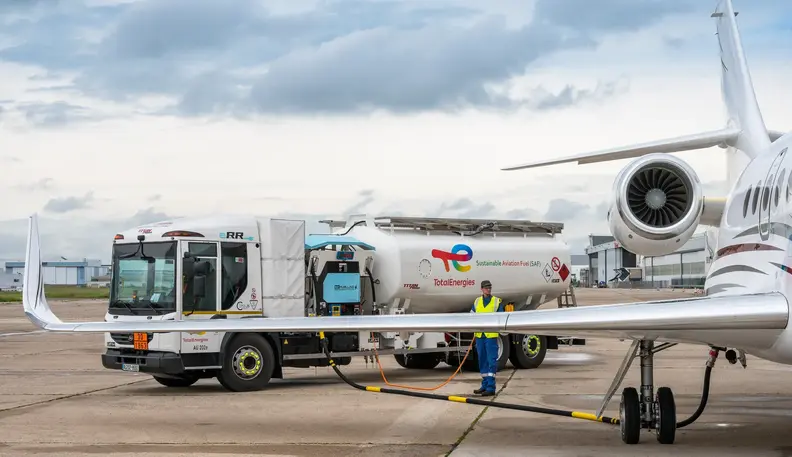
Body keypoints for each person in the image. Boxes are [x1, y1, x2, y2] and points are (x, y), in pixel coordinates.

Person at [470, 279, 504, 396]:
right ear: (482, 289)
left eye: (489, 287)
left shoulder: (496, 302)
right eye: (486, 288)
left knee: (491, 361)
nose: (488, 289)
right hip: (480, 336)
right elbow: (472, 317)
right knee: (482, 360)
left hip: (490, 336)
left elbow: (501, 317)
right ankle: (484, 385)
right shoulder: (477, 302)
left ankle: (491, 386)